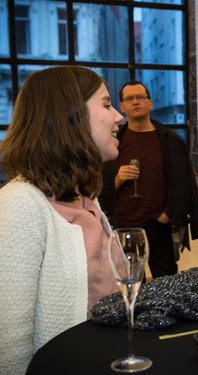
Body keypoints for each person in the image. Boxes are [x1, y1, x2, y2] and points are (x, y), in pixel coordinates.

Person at [0, 66, 124, 374]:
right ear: (70, 116)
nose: (118, 116)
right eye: (107, 104)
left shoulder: (86, 198)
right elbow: (10, 342)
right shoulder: (20, 203)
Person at [102, 80, 198, 278]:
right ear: (122, 107)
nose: (135, 102)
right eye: (129, 99)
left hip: (159, 225)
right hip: (125, 228)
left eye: (140, 97)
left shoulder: (171, 140)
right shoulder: (113, 143)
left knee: (166, 283)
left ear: (150, 103)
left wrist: (166, 215)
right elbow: (102, 189)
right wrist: (117, 179)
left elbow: (182, 183)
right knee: (131, 283)